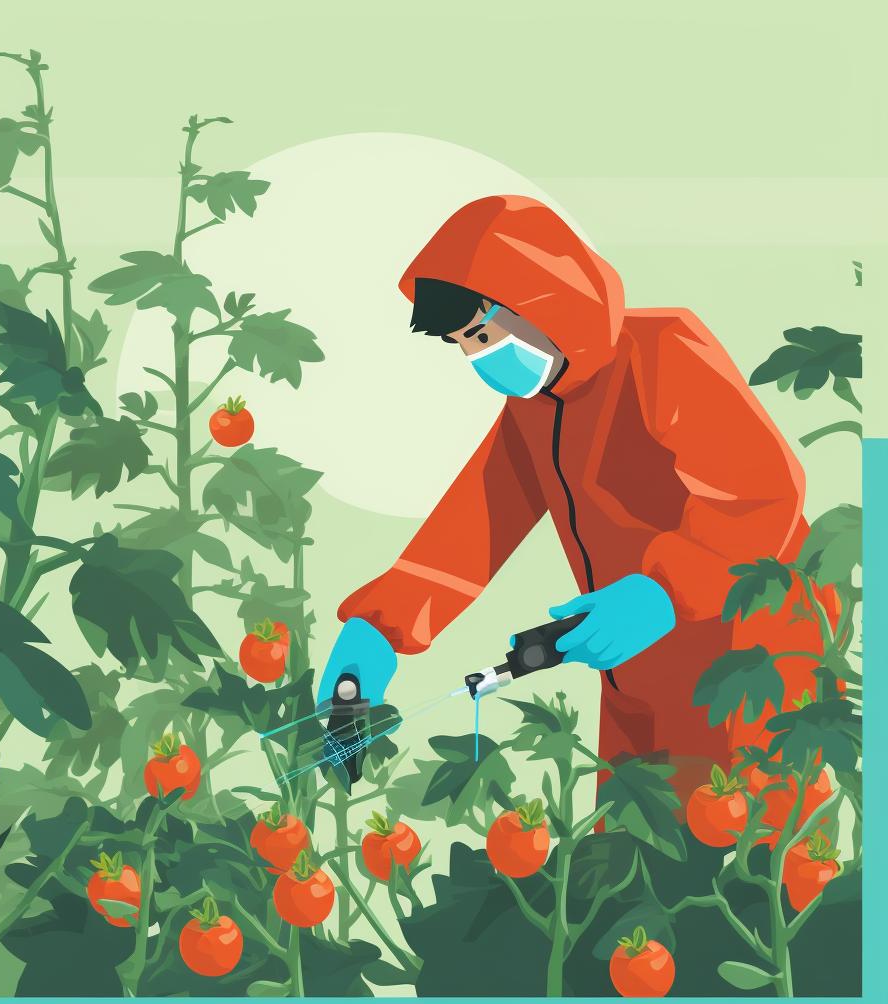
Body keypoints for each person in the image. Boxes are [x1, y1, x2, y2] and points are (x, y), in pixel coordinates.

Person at [317, 194, 838, 801]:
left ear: (543, 300)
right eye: (464, 343)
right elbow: (472, 527)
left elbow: (762, 489)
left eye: (483, 333)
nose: (478, 357)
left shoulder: (663, 350)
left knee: (758, 858)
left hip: (749, 658)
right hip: (631, 666)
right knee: (624, 864)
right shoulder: (534, 411)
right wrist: (380, 628)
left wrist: (665, 589)